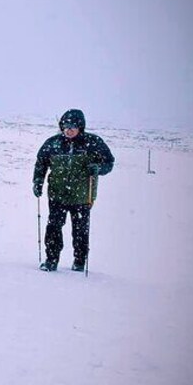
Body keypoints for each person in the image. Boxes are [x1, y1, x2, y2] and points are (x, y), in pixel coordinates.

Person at [33, 109, 114, 272]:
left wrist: (97, 168)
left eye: (73, 126)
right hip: (57, 195)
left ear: (80, 127)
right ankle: (51, 260)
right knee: (54, 228)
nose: (69, 129)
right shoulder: (52, 143)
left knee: (80, 231)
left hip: (83, 196)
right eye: (66, 126)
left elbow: (109, 162)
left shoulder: (93, 143)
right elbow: (41, 163)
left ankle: (79, 261)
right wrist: (38, 182)